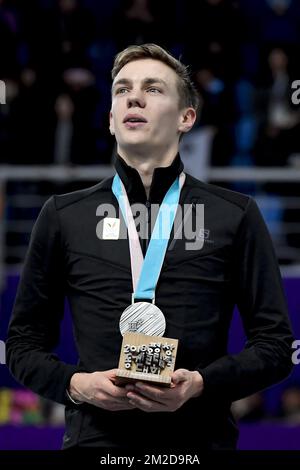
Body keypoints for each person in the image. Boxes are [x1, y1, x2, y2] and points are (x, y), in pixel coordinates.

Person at [6, 43, 293, 450]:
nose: (134, 96)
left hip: (198, 445)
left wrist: (201, 384)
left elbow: (276, 346)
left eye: (153, 89)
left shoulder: (235, 214)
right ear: (110, 119)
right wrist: (76, 384)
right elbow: (22, 345)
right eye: (122, 90)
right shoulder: (63, 215)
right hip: (97, 446)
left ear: (186, 117)